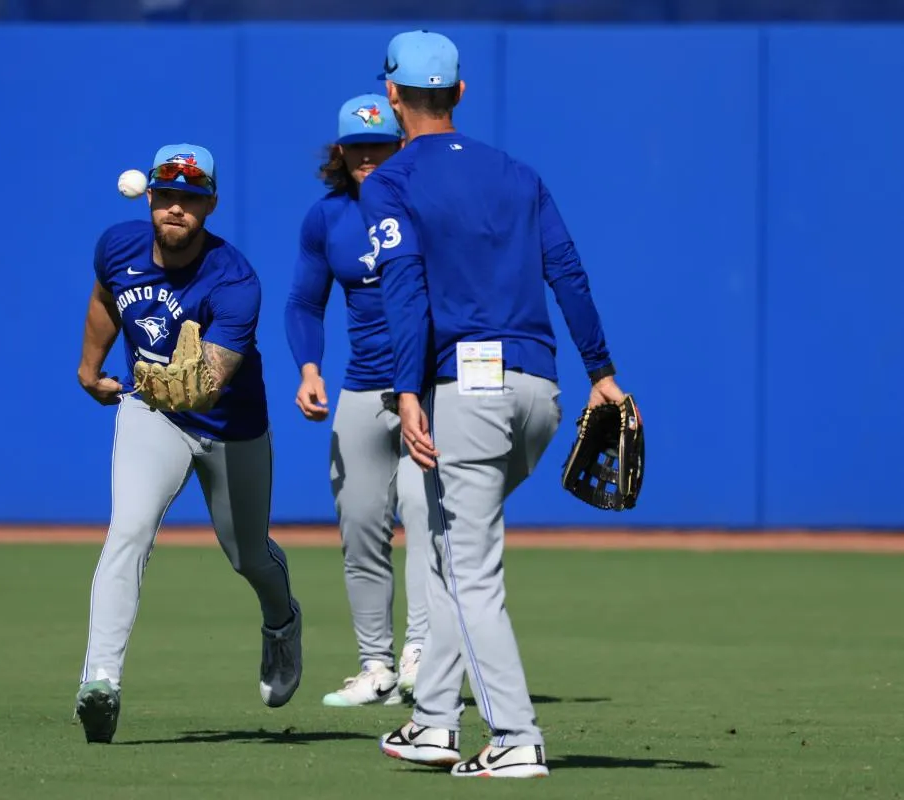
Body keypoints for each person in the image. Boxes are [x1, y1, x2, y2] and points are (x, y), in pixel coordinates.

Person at [360, 31, 635, 778]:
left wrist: (407, 390)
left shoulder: (387, 181)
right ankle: (434, 722)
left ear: (391, 96)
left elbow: (403, 288)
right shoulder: (517, 172)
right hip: (538, 392)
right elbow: (566, 271)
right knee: (453, 549)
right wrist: (601, 372)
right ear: (459, 92)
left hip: (466, 389)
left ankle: (514, 736)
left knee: (469, 567)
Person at [73, 143, 304, 744]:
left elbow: (210, 384)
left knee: (247, 555)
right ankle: (100, 680)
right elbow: (106, 298)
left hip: (231, 428)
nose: (177, 207)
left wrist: (182, 380)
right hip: (151, 415)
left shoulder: (235, 280)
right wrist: (90, 366)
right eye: (168, 195)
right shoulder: (117, 247)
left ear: (211, 205)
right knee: (128, 532)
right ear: (149, 197)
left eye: (191, 198)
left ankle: (281, 623)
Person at [283, 93, 428, 708]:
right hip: (363, 389)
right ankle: (377, 667)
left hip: (431, 389)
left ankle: (422, 653)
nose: (368, 156)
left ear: (401, 145)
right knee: (362, 528)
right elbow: (304, 303)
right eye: (357, 146)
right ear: (340, 152)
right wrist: (309, 368)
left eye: (380, 144)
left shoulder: (429, 206)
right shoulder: (328, 218)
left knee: (428, 521)